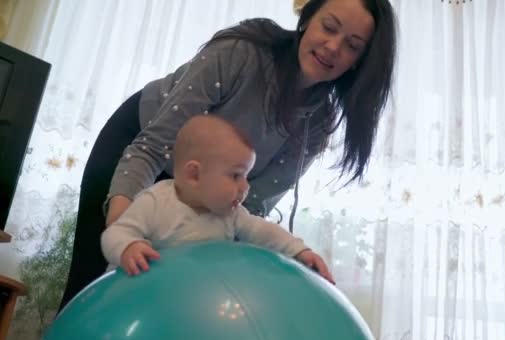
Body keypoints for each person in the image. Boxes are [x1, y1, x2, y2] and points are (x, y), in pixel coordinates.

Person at [59, 0, 396, 310]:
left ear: (360, 63)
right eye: (329, 27)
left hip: (212, 188)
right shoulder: (241, 53)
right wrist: (124, 234)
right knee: (95, 282)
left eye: (352, 46)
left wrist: (295, 251)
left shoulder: (318, 124)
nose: (333, 47)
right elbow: (151, 147)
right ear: (307, 20)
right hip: (143, 148)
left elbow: (249, 207)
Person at [101, 115, 334, 283]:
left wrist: (298, 250)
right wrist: (129, 246)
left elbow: (264, 231)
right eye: (236, 175)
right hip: (140, 294)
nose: (245, 186)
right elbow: (115, 233)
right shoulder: (155, 202)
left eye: (246, 176)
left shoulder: (231, 215)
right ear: (195, 175)